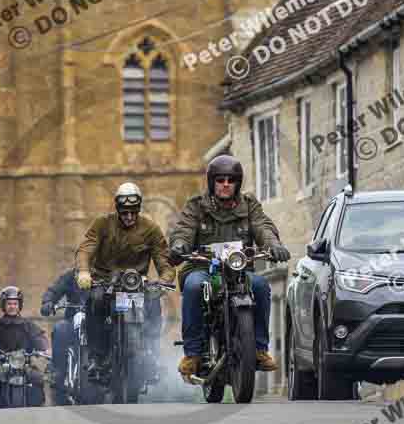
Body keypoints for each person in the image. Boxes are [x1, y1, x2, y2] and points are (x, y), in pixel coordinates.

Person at [168, 155, 290, 382]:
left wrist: (273, 245)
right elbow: (183, 229)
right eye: (220, 180)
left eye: (231, 180)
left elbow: (262, 226)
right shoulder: (196, 206)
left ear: (238, 183)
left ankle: (259, 350)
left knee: (261, 286)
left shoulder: (249, 205)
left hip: (239, 271)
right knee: (194, 287)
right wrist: (179, 244)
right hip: (203, 269)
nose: (225, 184)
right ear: (212, 182)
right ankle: (192, 354)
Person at [74, 182, 175, 379]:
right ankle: (97, 355)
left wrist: (164, 280)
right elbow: (86, 248)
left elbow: (165, 259)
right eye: (125, 212)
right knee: (95, 300)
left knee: (153, 303)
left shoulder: (151, 229)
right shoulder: (102, 224)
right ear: (118, 210)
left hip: (136, 284)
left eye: (133, 212)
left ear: (138, 210)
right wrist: (84, 272)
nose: (129, 216)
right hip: (105, 282)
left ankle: (152, 354)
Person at [0, 285, 49, 408]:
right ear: (4, 305)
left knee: (37, 378)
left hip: (22, 362)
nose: (12, 306)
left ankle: (38, 409)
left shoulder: (27, 324)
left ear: (19, 305)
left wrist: (46, 348)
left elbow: (38, 337)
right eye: (9, 304)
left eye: (15, 304)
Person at [40, 269, 88, 405]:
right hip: (72, 320)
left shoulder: (106, 273)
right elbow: (54, 290)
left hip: (98, 323)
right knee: (60, 328)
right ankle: (58, 372)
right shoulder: (71, 276)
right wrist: (48, 302)